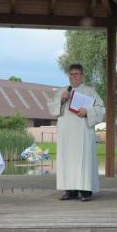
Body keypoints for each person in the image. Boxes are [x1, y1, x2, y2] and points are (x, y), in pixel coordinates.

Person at [48, 64, 105, 202]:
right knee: (67, 161)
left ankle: (85, 191)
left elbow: (101, 109)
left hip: (83, 133)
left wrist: (88, 111)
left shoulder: (90, 91)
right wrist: (61, 100)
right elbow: (52, 107)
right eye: (71, 74)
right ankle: (70, 190)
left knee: (84, 161)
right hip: (66, 135)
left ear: (82, 75)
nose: (73, 77)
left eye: (76, 74)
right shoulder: (62, 91)